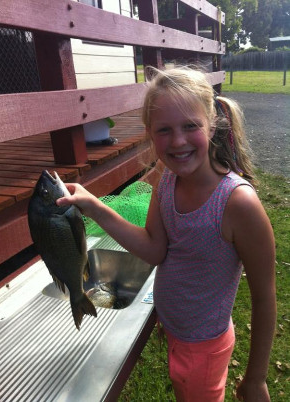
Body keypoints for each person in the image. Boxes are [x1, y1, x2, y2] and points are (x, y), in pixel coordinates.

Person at [57, 66, 276, 401]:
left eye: (190, 126)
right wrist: (94, 206)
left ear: (212, 122)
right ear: (149, 133)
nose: (177, 141)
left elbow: (264, 296)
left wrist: (257, 379)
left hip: (204, 347)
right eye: (164, 130)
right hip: (179, 334)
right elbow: (154, 249)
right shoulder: (167, 180)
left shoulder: (237, 203)